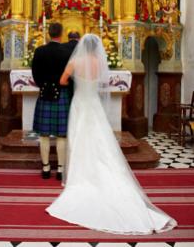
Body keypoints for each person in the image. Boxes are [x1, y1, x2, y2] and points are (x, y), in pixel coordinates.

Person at [46, 34, 177, 235]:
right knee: (99, 139)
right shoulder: (99, 61)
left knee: (79, 138)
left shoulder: (75, 61)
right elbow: (101, 82)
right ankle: (102, 171)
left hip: (80, 103)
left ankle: (79, 175)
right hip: (94, 104)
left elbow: (63, 81)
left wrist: (73, 79)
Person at [32, 23, 71, 180]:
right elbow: (70, 76)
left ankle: (46, 168)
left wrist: (44, 85)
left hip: (45, 94)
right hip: (62, 94)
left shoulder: (40, 51)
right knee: (62, 135)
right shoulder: (67, 52)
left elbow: (35, 74)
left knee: (44, 134)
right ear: (61, 34)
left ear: (48, 34)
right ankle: (60, 169)